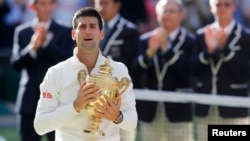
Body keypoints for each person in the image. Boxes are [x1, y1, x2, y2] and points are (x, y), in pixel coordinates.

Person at [33, 7, 137, 141]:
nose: (87, 31)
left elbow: (132, 121)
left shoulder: (119, 70)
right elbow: (40, 125)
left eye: (92, 26)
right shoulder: (56, 73)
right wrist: (75, 106)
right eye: (82, 27)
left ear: (101, 34)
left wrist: (117, 116)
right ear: (73, 34)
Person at [10, 0, 74, 140]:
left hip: (57, 103)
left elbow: (68, 61)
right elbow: (15, 64)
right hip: (28, 103)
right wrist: (32, 48)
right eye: (42, 4)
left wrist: (46, 43)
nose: (46, 8)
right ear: (33, 6)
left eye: (49, 3)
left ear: (54, 5)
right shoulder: (22, 32)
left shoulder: (65, 31)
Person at [132, 0, 195, 141]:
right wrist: (150, 52)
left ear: (181, 15)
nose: (168, 15)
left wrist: (167, 50)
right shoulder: (145, 40)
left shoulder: (190, 41)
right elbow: (135, 72)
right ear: (157, 14)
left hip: (179, 113)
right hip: (150, 112)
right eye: (164, 11)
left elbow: (188, 74)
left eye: (172, 11)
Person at [190, 0, 250, 141]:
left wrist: (225, 49)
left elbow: (245, 73)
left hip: (234, 111)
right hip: (206, 110)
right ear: (211, 7)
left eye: (227, 4)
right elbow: (193, 70)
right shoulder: (201, 35)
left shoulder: (246, 37)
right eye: (218, 4)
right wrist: (208, 52)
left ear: (234, 7)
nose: (222, 8)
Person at [94, 0, 140, 140]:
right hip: (95, 100)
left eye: (105, 3)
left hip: (121, 100)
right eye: (98, 3)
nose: (101, 8)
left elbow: (131, 67)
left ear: (117, 5)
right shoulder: (89, 28)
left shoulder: (130, 31)